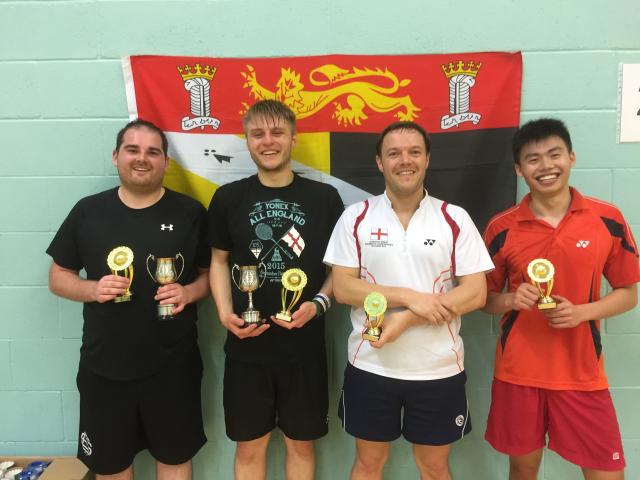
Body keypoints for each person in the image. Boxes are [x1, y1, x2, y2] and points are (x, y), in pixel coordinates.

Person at [323, 121, 493, 480]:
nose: (405, 160)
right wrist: (409, 297)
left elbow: (476, 292)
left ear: (428, 159)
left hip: (438, 369)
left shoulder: (454, 218)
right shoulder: (356, 217)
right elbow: (343, 288)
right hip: (370, 365)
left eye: (414, 152)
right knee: (369, 464)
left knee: (433, 467)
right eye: (394, 153)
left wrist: (407, 319)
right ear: (380, 162)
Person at [47, 119, 210, 480]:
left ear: (166, 162)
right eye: (132, 150)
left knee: (175, 460)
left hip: (174, 368)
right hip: (105, 369)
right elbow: (58, 277)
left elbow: (208, 279)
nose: (142, 158)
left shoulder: (190, 213)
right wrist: (92, 289)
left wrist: (188, 291)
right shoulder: (88, 211)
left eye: (153, 152)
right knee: (112, 467)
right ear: (116, 156)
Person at [482, 118, 639, 480]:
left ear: (571, 157)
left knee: (606, 471)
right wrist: (509, 300)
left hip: (583, 372)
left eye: (554, 154)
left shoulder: (608, 219)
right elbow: (482, 298)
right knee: (522, 469)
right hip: (518, 372)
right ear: (519, 170)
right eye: (533, 159)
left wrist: (583, 312)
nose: (546, 166)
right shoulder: (500, 227)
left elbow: (628, 294)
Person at [207, 99, 344, 480]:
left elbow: (342, 268)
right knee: (250, 447)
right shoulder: (228, 198)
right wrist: (222, 313)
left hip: (305, 347)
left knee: (301, 444)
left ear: (293, 138)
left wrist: (318, 303)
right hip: (247, 347)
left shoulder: (324, 199)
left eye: (277, 132)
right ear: (247, 141)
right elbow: (218, 260)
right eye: (258, 134)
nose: (268, 141)